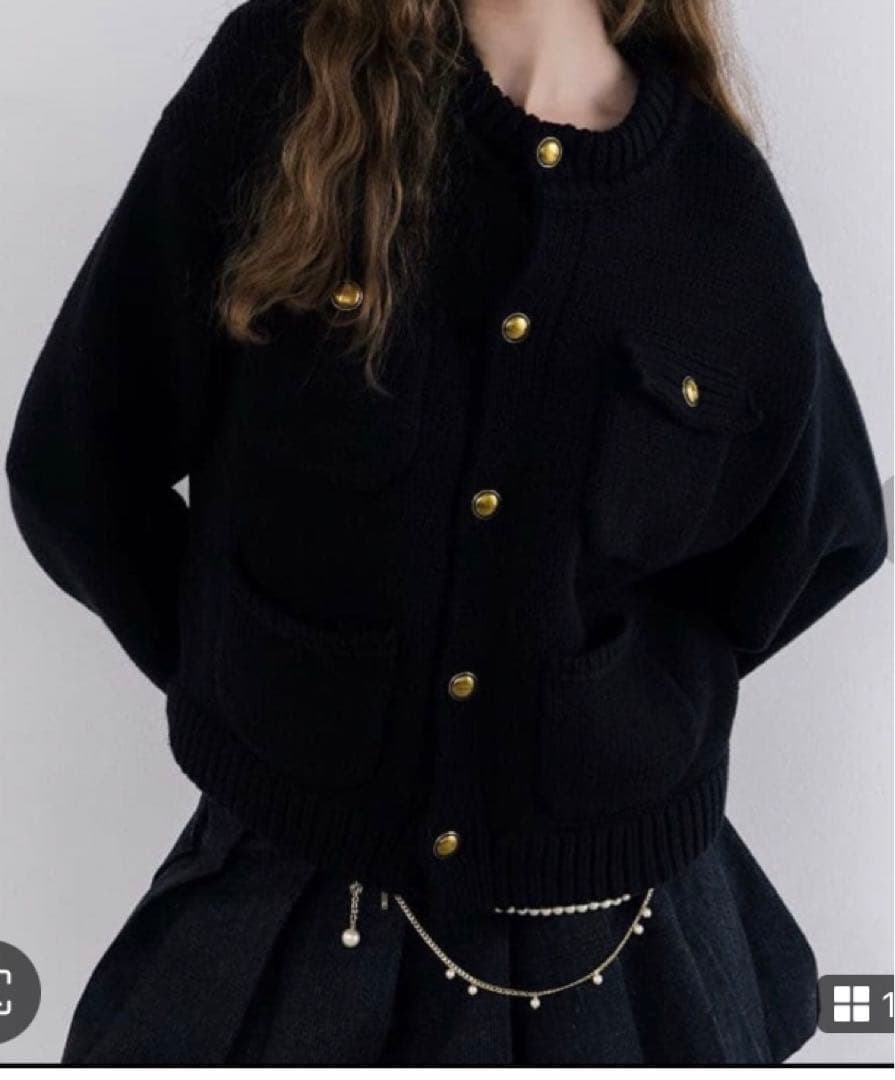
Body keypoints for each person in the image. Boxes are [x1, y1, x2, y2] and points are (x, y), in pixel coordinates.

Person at [5, 0, 888, 1066]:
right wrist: (250, 685)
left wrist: (631, 709)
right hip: (288, 916)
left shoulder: (716, 203)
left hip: (617, 954)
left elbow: (826, 534)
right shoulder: (288, 75)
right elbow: (78, 458)